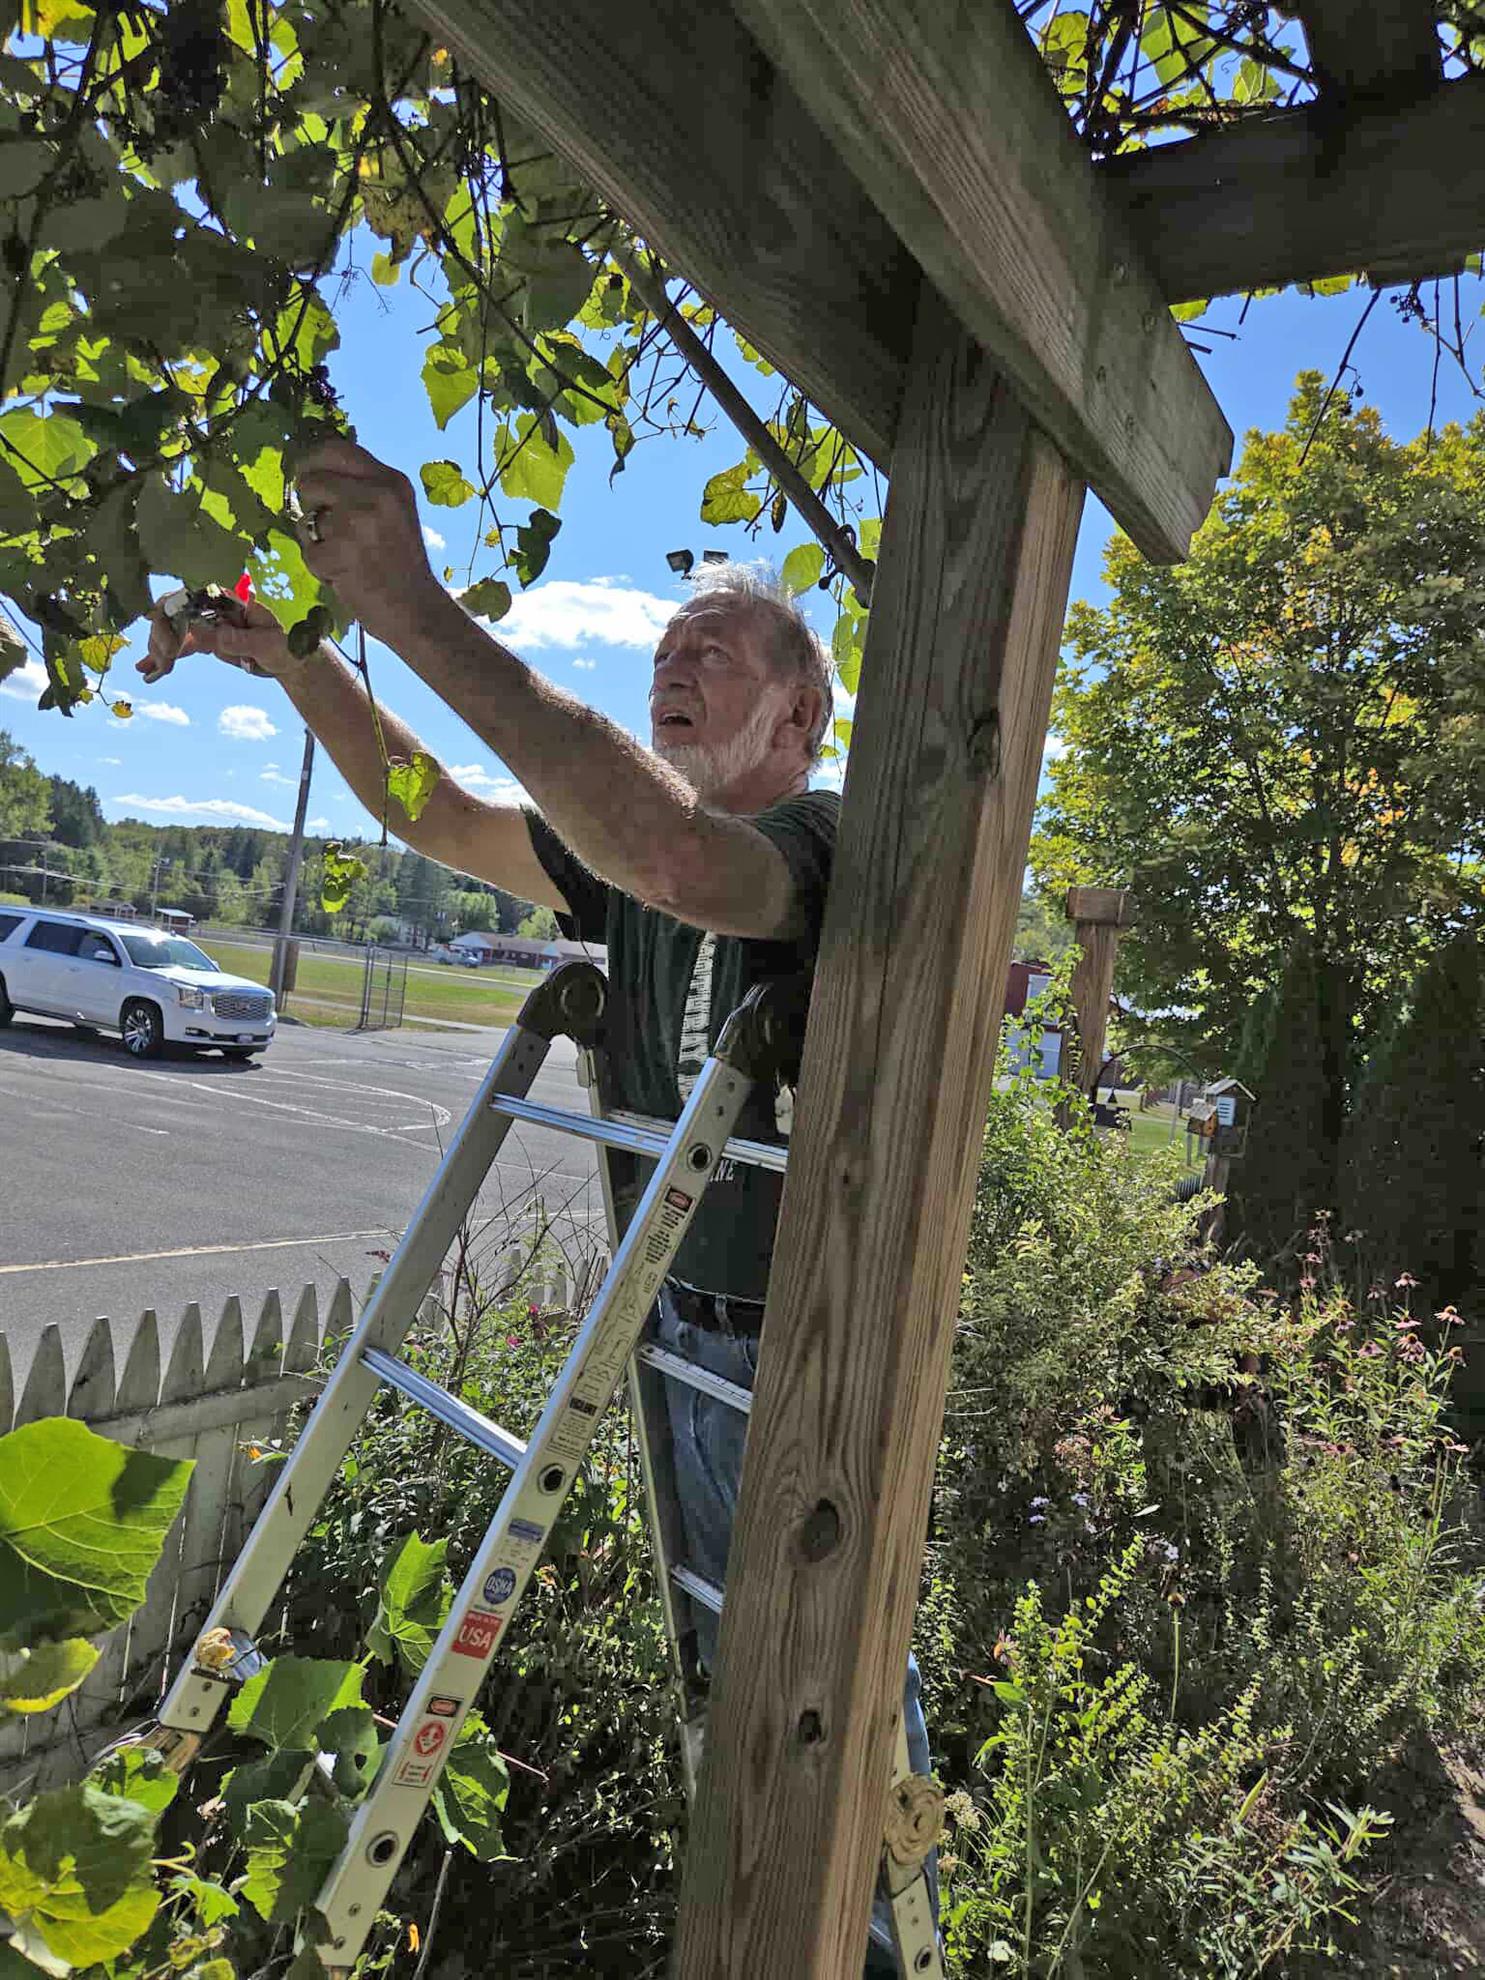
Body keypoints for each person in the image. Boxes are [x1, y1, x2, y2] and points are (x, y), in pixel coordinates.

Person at [142, 437, 934, 1973]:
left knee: (835, 1732)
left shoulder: (822, 841)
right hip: (677, 1339)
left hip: (811, 1361)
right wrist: (303, 656)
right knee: (731, 1702)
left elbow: (678, 854)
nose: (674, 667)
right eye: (659, 653)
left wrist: (414, 606)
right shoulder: (623, 867)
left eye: (713, 651)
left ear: (799, 712)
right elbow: (435, 815)